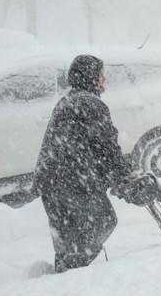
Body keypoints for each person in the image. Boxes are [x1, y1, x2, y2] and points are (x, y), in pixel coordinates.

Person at [35, 54, 130, 273]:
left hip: (51, 182)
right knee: (104, 221)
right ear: (92, 76)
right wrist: (124, 175)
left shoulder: (69, 100)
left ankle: (63, 272)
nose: (104, 79)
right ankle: (73, 271)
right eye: (100, 74)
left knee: (67, 236)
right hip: (74, 181)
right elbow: (107, 147)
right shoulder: (90, 103)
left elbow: (87, 145)